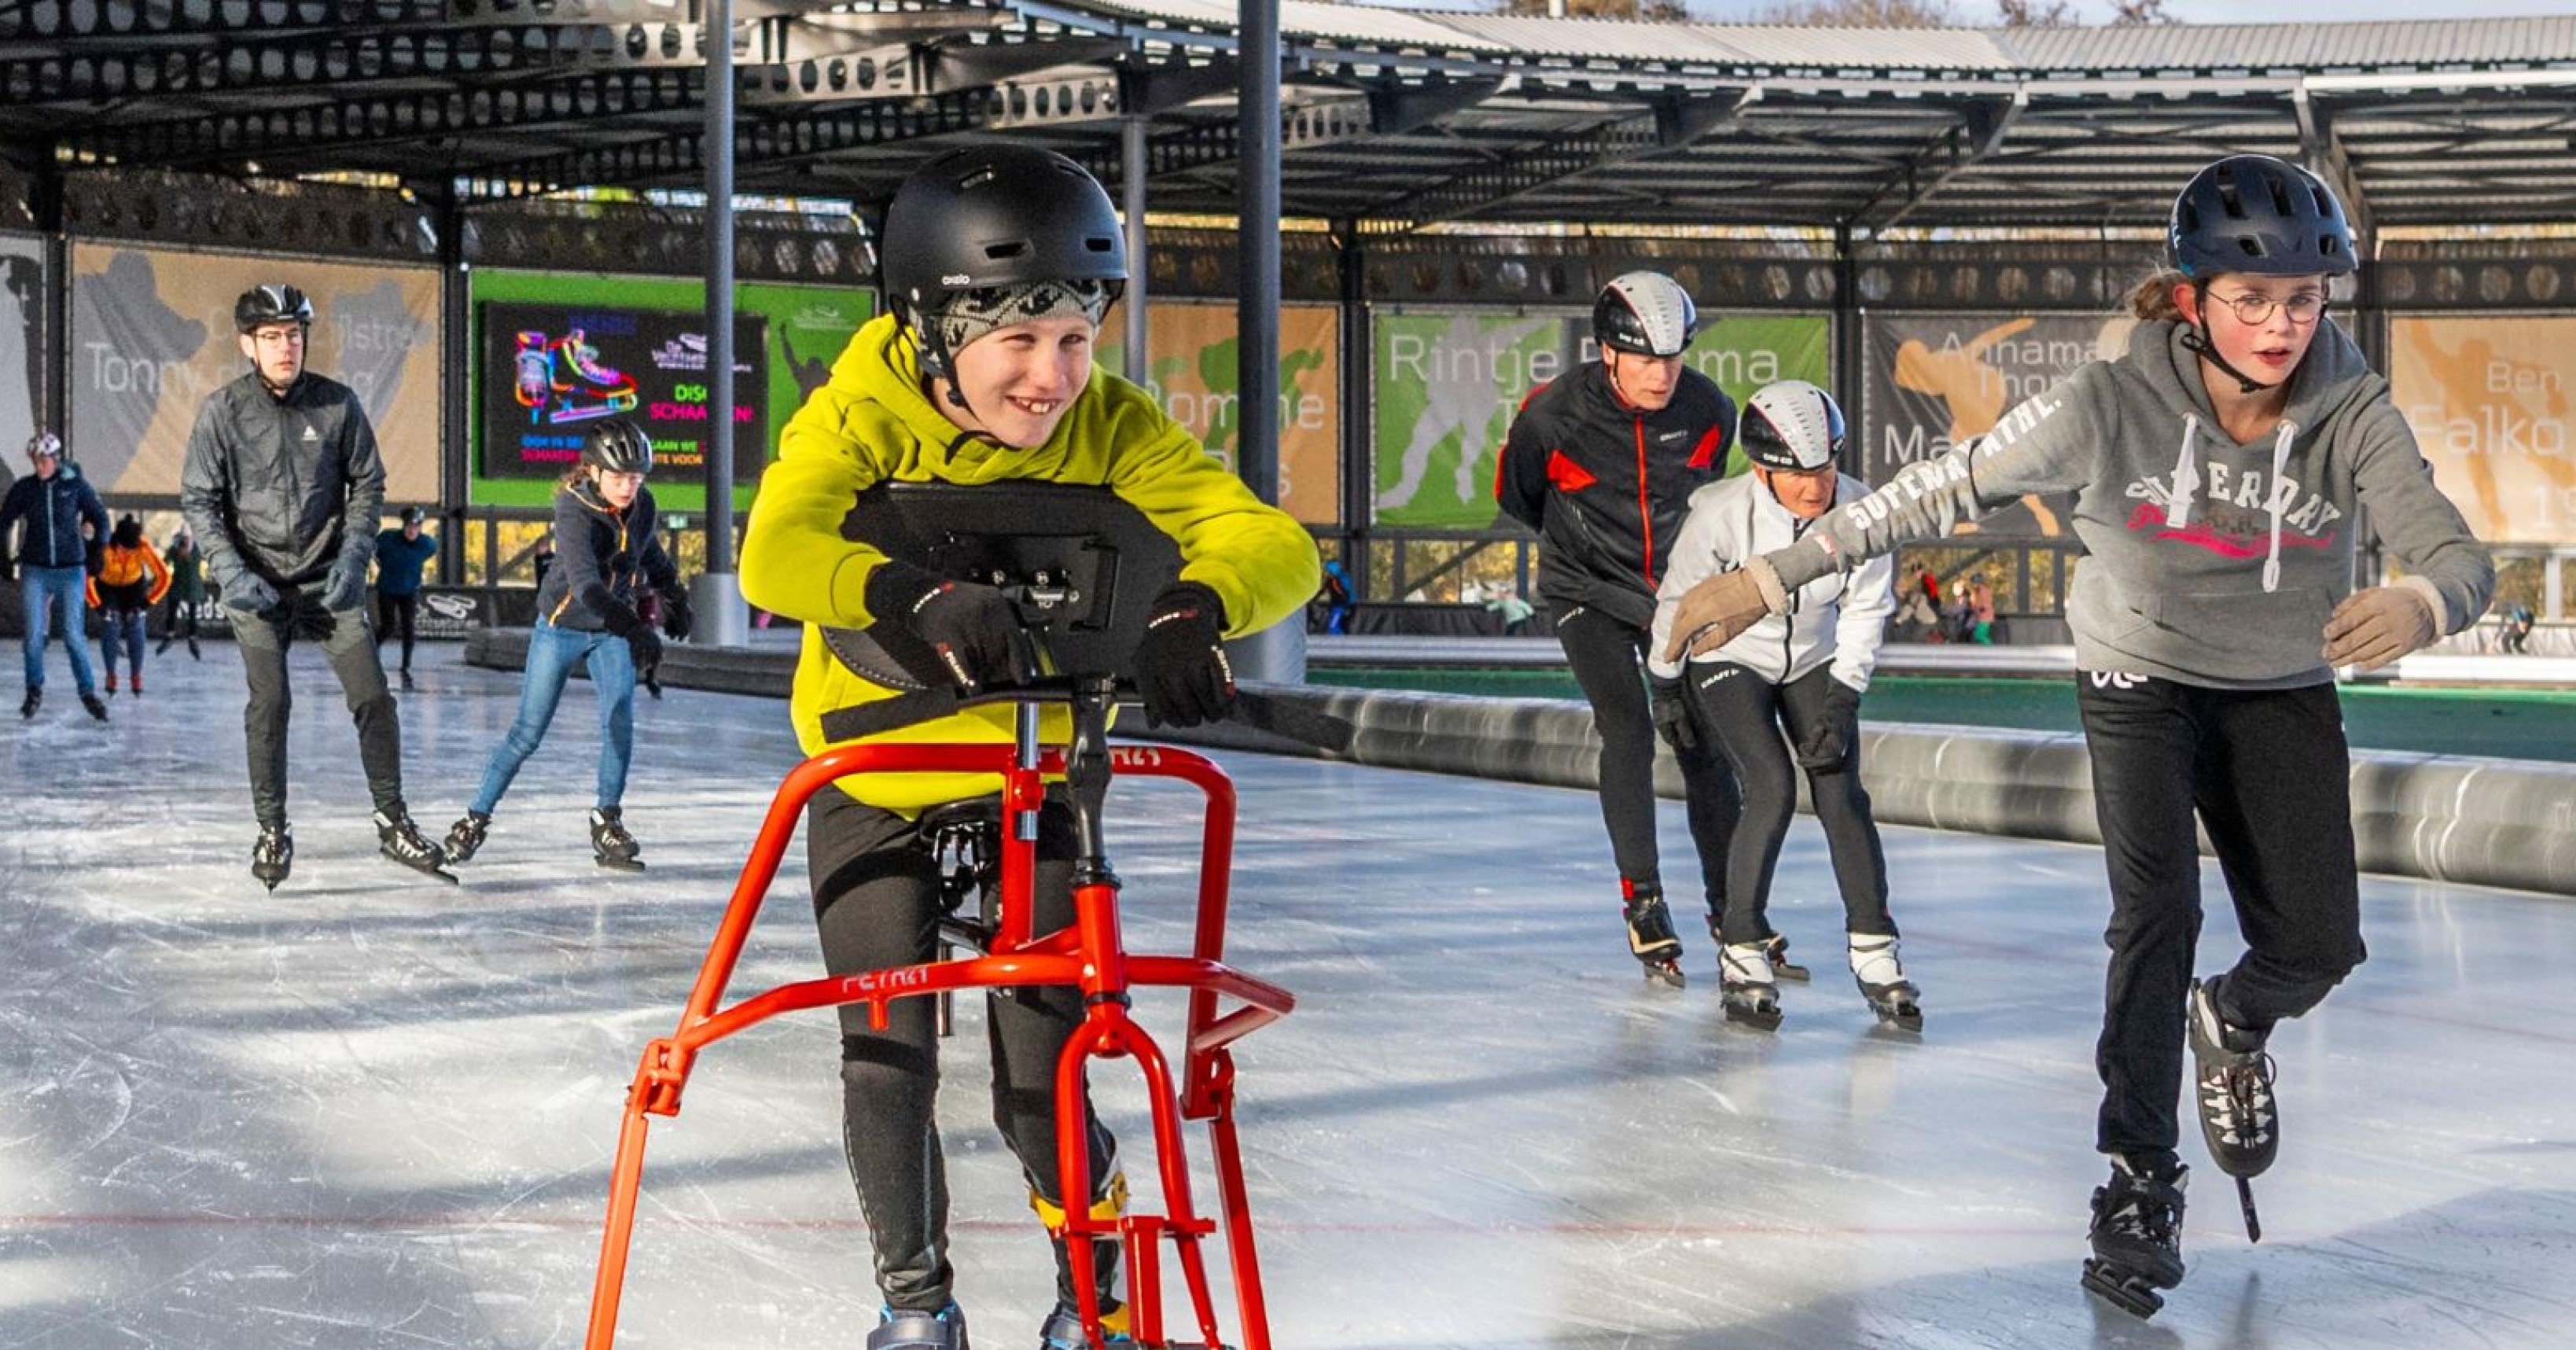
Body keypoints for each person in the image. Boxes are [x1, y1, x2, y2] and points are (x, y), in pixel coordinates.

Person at [1662, 154, 2494, 1315]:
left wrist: (2422, 603)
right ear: (2194, 297)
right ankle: (2138, 1180)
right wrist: (1769, 572)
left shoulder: (2348, 405)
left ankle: (2235, 1017)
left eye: (2304, 299)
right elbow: (1936, 490)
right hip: (2136, 675)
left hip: (2282, 682)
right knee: (2158, 914)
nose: (2280, 325)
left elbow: (2458, 555)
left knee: (2320, 945)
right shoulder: (2108, 399)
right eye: (2251, 300)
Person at [737, 142, 1317, 1350]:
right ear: (935, 327)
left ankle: (1090, 1275)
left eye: (1077, 339)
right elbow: (775, 551)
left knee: (1039, 1072)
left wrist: (1197, 602)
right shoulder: (856, 413)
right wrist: (900, 593)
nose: (1054, 376)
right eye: (1021, 342)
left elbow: (1269, 538)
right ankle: (915, 1305)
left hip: (1034, 769)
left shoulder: (1111, 426)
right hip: (875, 769)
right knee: (885, 1050)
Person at [1494, 268, 1742, 987]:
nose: (1662, 374)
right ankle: (1644, 896)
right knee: (1629, 727)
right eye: (1645, 359)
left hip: (1671, 597)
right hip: (1587, 591)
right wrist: (1586, 545)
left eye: (1674, 357)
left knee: (1702, 738)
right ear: (1608, 353)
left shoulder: (1708, 409)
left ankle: (1732, 907)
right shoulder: (1552, 415)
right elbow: (1520, 496)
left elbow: (1706, 501)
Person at [1647, 381, 1913, 1032]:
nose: (1816, 487)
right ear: (1761, 468)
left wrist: (1844, 699)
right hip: (1729, 652)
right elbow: (1677, 602)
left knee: (1840, 788)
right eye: (1797, 475)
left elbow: (1866, 608)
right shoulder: (1719, 513)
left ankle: (1876, 948)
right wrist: (1663, 684)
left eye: (1826, 468)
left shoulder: (1863, 511)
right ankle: (1742, 946)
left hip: (1815, 654)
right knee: (1768, 783)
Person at [179, 283, 448, 890]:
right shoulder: (223, 412)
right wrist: (231, 571)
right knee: (270, 704)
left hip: (330, 582)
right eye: (271, 336)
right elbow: (198, 499)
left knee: (374, 697)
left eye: (294, 335)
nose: (285, 346)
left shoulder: (338, 405)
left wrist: (354, 560)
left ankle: (392, 820)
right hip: (257, 587)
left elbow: (368, 486)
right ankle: (272, 828)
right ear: (248, 344)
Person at [443, 419, 688, 872]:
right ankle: (474, 819)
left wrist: (677, 597)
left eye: (636, 478)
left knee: (619, 721)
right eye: (618, 478)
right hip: (563, 628)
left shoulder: (643, 504)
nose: (628, 487)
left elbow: (650, 553)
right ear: (593, 472)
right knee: (527, 733)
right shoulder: (573, 508)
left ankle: (607, 819)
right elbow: (587, 586)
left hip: (610, 630)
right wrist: (635, 626)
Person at [0, 432, 110, 720]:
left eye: (44, 459)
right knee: (34, 636)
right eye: (35, 460)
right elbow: (4, 520)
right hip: (36, 570)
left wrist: (99, 549)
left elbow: (100, 517)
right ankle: (34, 689)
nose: (39, 465)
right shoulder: (25, 488)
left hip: (71, 570)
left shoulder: (74, 486)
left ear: (56, 458)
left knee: (73, 636)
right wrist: (3, 554)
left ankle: (88, 691)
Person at [87, 514, 171, 697]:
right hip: (107, 587)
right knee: (111, 625)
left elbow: (165, 576)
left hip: (134, 587)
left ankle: (136, 675)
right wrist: (98, 606)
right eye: (125, 549)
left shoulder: (142, 546)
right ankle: (111, 674)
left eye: (132, 549)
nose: (128, 553)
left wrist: (148, 603)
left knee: (136, 624)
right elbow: (88, 580)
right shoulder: (104, 548)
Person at [374, 504, 439, 690]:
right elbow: (374, 552)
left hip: (409, 590)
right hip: (387, 588)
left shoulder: (427, 544)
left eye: (416, 526)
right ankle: (372, 653)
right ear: (403, 526)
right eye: (409, 526)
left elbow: (430, 552)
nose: (412, 530)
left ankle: (406, 665)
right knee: (387, 626)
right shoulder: (387, 539)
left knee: (409, 627)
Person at [158, 524, 207, 660]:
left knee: (192, 613)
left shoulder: (197, 549)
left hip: (192, 586)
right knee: (172, 609)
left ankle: (192, 636)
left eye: (188, 538)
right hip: (178, 584)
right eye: (184, 538)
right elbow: (164, 562)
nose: (186, 540)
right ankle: (170, 633)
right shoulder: (175, 549)